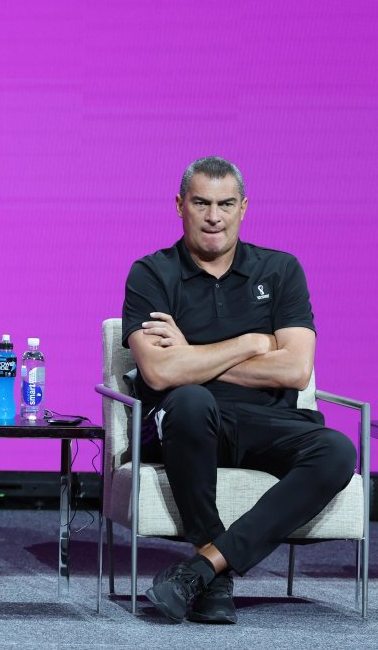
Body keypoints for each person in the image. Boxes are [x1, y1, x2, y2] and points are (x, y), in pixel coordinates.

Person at [121, 156, 356, 624]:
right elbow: (161, 375)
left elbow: (295, 370)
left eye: (226, 204)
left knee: (336, 450)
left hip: (269, 422)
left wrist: (193, 354)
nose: (214, 217)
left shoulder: (281, 270)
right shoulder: (151, 273)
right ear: (180, 206)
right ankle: (216, 578)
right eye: (202, 203)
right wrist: (250, 343)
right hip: (190, 424)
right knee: (189, 399)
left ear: (243, 207)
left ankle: (206, 567)